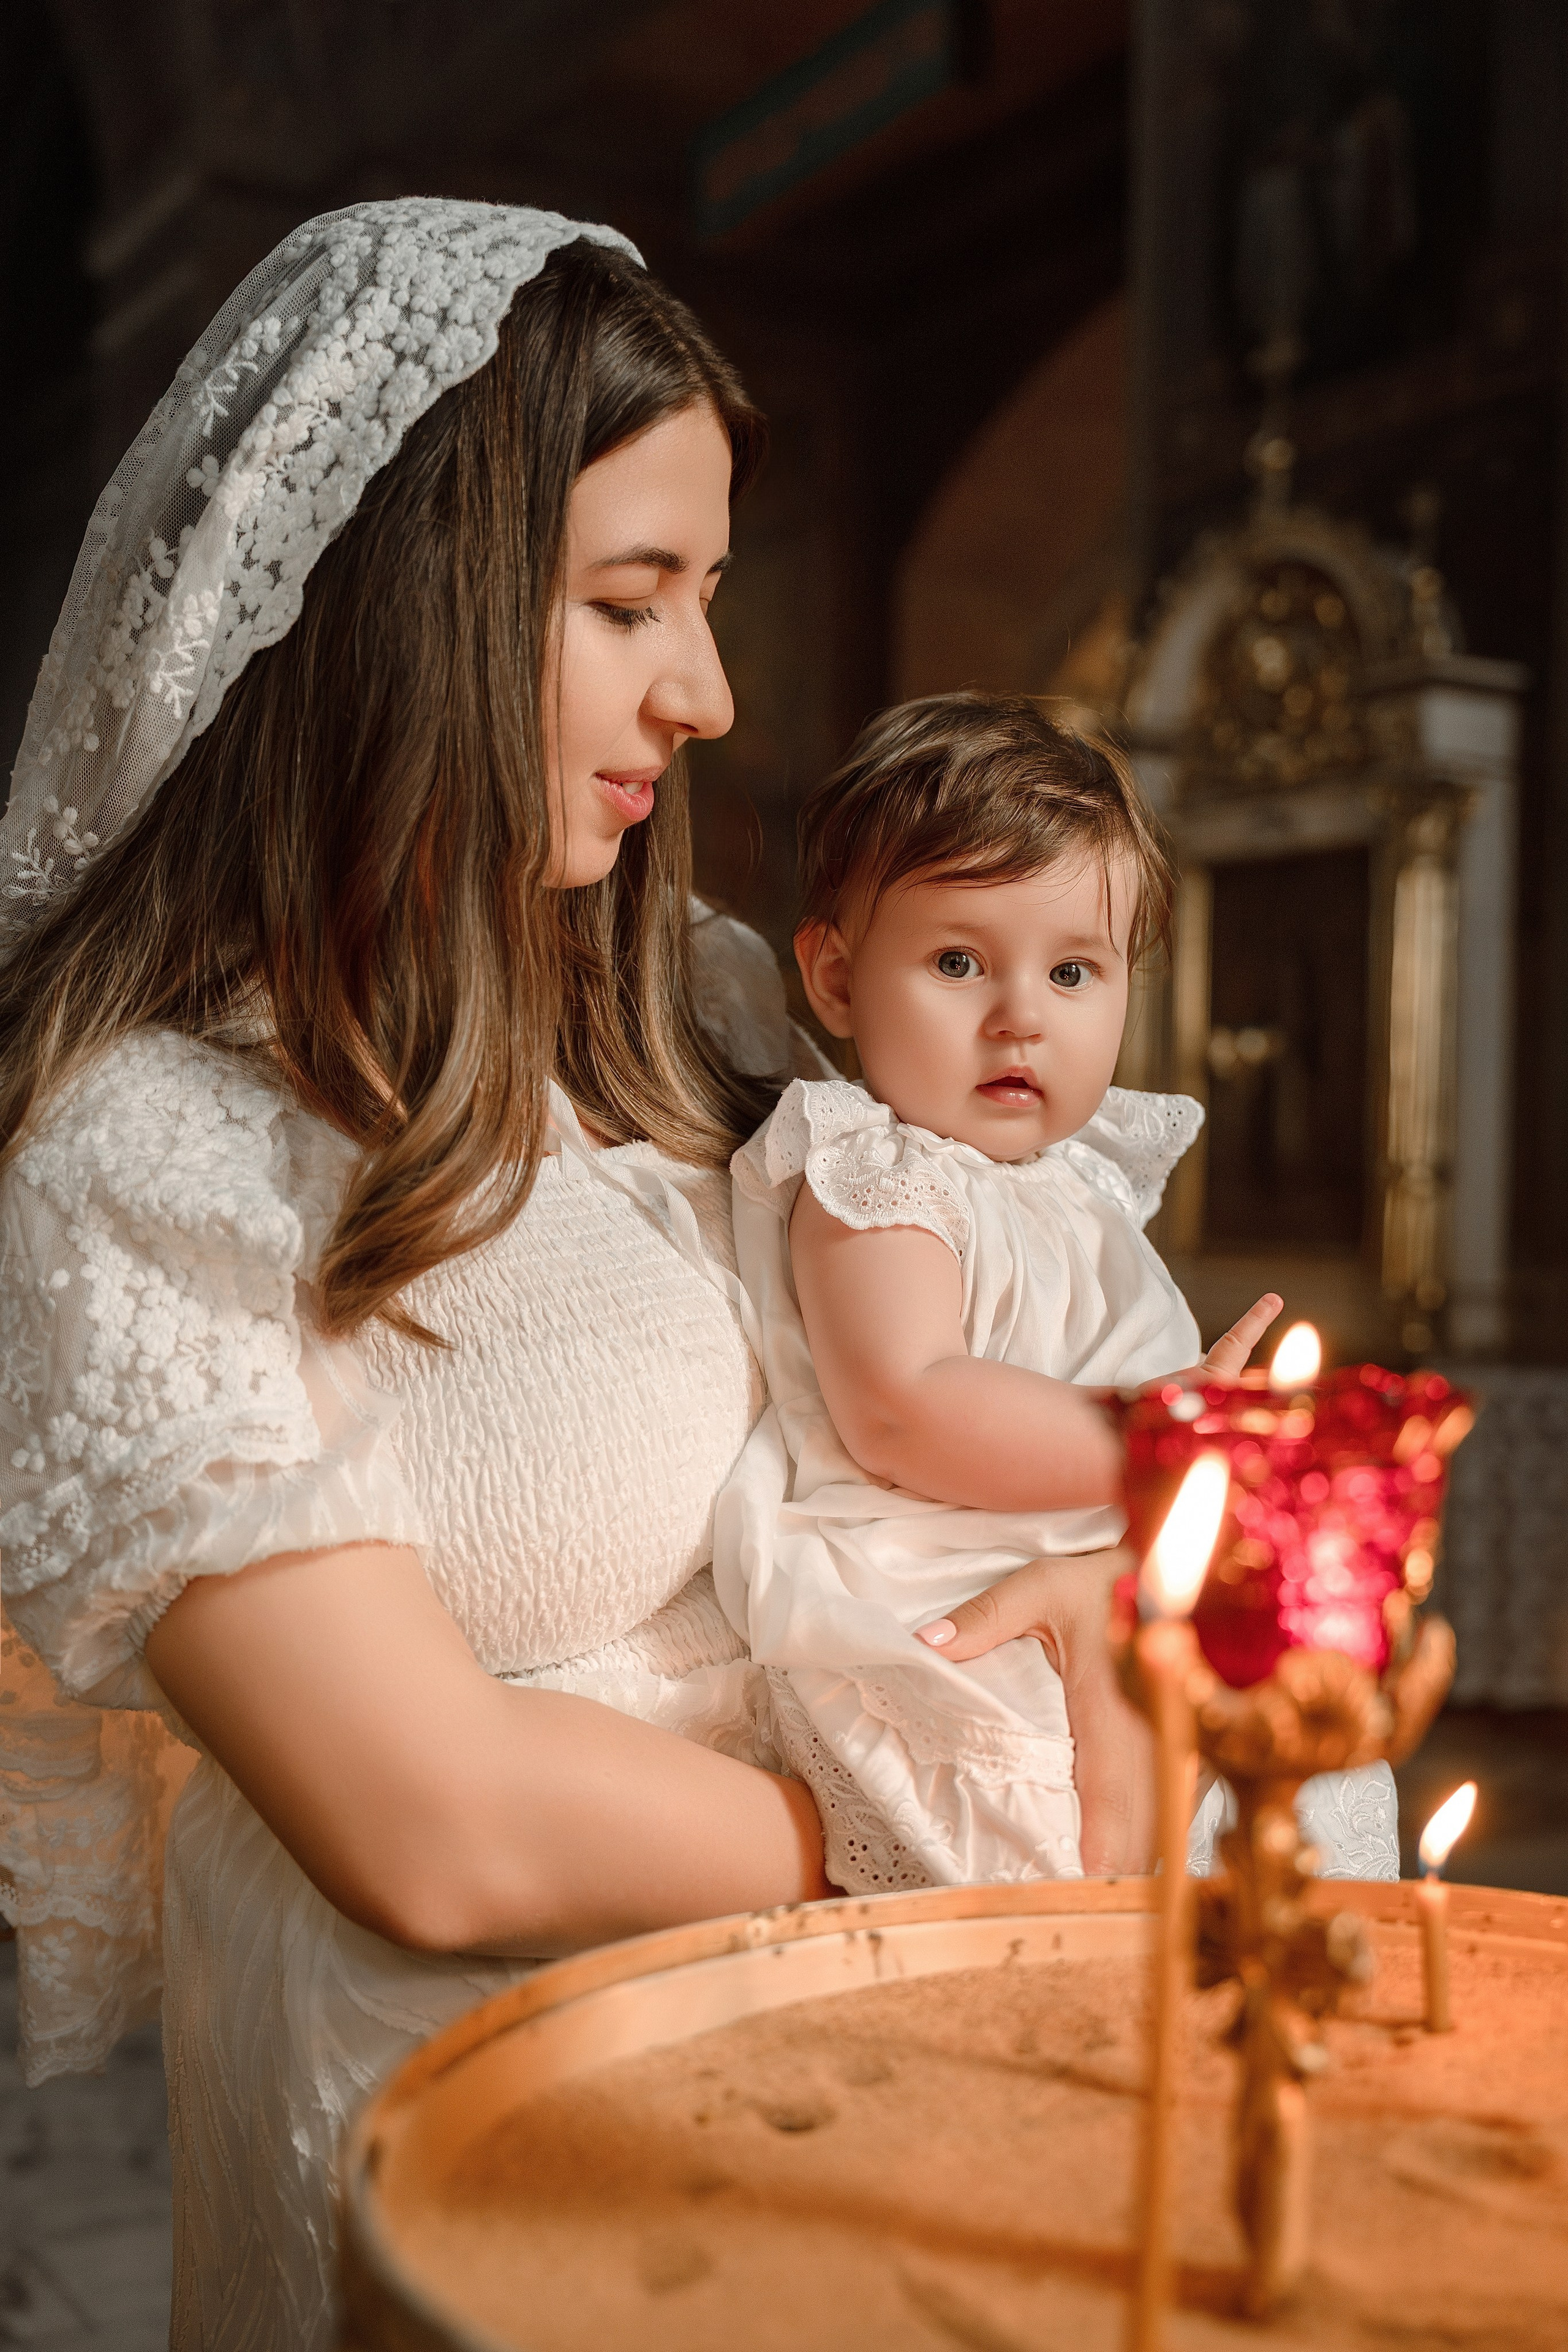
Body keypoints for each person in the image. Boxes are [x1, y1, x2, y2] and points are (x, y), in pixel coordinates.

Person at [0, 198, 1170, 2352]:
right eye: (632, 601)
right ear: (402, 609)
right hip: (499, 2125)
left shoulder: (708, 1012)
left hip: (869, 2073)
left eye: (707, 599)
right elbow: (430, 1819)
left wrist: (1109, 1578)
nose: (708, 692)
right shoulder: (148, 1150)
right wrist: (928, 1834)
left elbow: (944, 1380)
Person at [712, 694, 1283, 1888]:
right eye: (958, 961)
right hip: (946, 1593)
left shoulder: (1069, 1184)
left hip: (1096, 1569)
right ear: (833, 978)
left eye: (1072, 969)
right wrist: (1153, 1437)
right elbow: (905, 1404)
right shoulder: (879, 1171)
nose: (1019, 1013)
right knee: (1070, 1873)